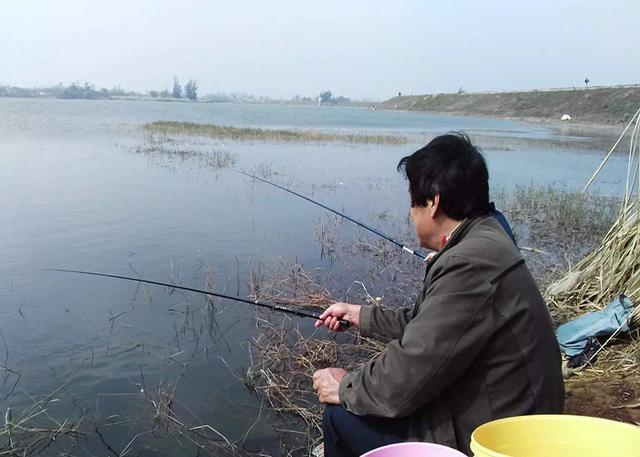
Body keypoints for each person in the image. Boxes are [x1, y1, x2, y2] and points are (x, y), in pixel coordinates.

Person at [312, 133, 564, 457]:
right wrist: (361, 315)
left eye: (412, 204)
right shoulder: (487, 235)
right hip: (514, 423)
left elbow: (406, 377)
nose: (411, 214)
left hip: (497, 443)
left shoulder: (469, 264)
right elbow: (432, 329)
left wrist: (344, 386)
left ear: (433, 203)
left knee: (339, 416)